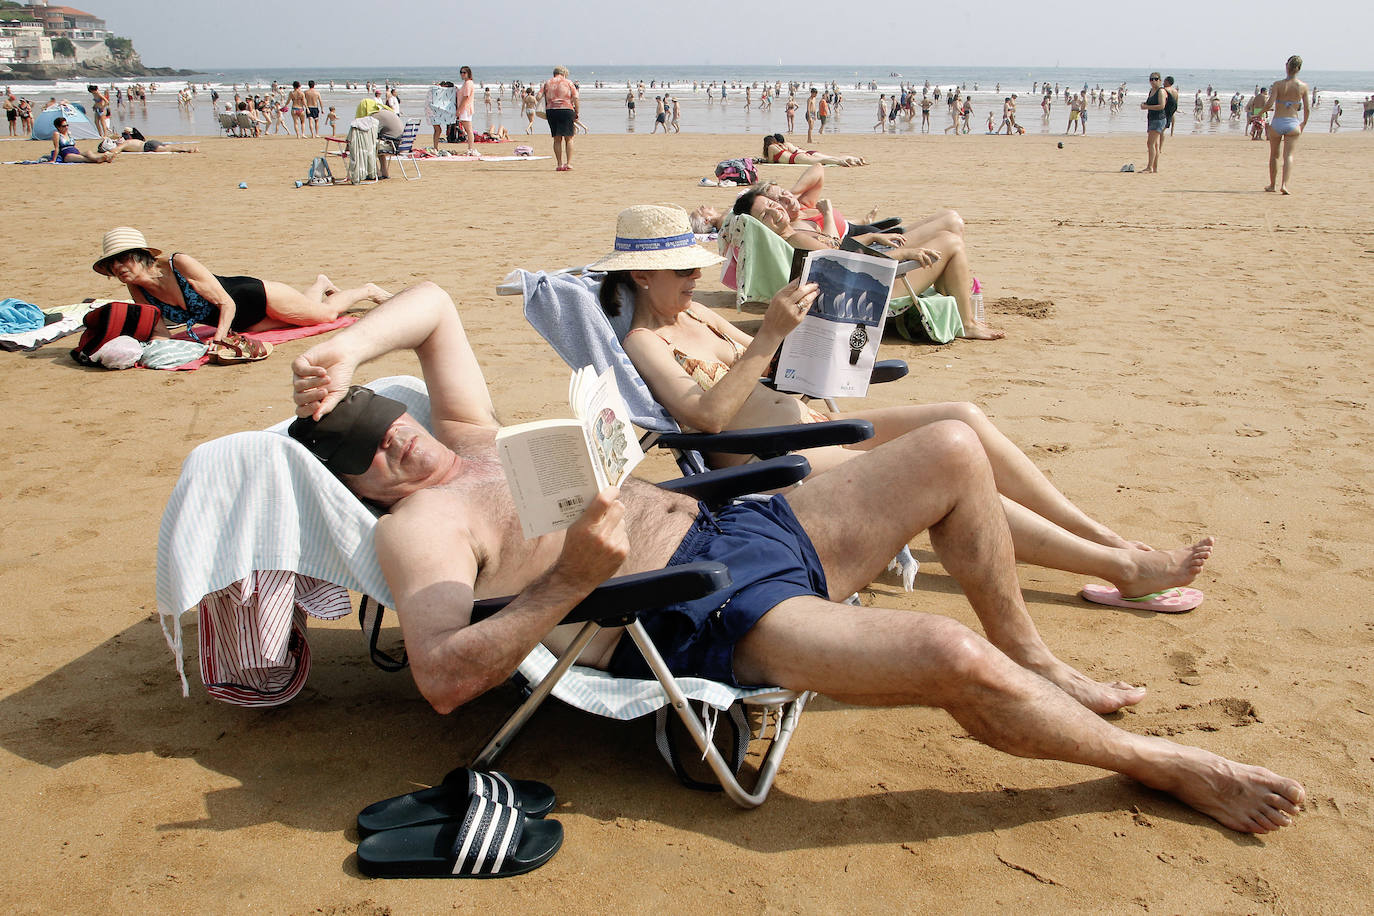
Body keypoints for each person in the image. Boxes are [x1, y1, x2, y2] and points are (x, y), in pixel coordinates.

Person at [284, 279, 1304, 836]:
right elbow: (442, 678)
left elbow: (432, 304)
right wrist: (569, 581)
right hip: (700, 610)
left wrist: (343, 346)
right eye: (367, 450)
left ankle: (1037, 656)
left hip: (739, 525)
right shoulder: (415, 527)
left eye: (385, 419)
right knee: (945, 654)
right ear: (359, 487)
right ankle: (1162, 764)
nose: (395, 442)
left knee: (951, 448)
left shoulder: (461, 436)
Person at [610, 204, 1211, 602]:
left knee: (963, 416)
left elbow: (772, 362)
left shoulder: (695, 312)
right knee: (946, 467)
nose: (695, 277)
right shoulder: (642, 341)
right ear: (641, 276)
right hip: (767, 461)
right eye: (681, 268)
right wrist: (768, 334)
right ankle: (1122, 571)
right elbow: (708, 418)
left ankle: (1098, 533)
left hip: (810, 424)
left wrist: (822, 326)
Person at [734, 190, 1003, 340]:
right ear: (760, 226)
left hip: (870, 265)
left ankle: (954, 297)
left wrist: (873, 236)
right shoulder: (795, 239)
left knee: (949, 220)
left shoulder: (795, 233)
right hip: (872, 283)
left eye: (771, 205)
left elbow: (839, 248)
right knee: (950, 239)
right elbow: (848, 262)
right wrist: (900, 255)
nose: (775, 211)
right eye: (765, 215)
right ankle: (967, 323)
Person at [91, 227, 390, 350]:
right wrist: (155, 349)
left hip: (254, 296)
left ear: (142, 256)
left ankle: (367, 289)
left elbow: (226, 303)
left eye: (123, 258)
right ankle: (320, 283)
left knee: (325, 316)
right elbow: (160, 331)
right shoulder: (138, 290)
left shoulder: (178, 263)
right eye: (112, 264)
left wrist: (219, 338)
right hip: (245, 323)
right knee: (299, 317)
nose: (118, 267)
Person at [1263, 56, 1310, 195]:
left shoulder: (1278, 84)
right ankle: (1284, 185)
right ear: (1299, 69)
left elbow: (1269, 103)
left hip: (1278, 121)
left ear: (1286, 66)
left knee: (1274, 155)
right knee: (1288, 155)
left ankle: (1272, 184)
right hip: (1293, 122)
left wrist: (1259, 114)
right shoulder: (1303, 86)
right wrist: (1304, 124)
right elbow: (1307, 108)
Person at [537, 65, 579, 172]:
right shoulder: (568, 82)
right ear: (564, 73)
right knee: (569, 138)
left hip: (551, 111)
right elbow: (575, 97)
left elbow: (538, 96)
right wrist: (577, 112)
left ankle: (559, 164)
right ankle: (568, 163)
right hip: (566, 110)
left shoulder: (547, 83)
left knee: (557, 138)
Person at [762, 133, 865, 167]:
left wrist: (764, 159)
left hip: (795, 159)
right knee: (826, 158)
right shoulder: (782, 145)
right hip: (800, 154)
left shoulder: (771, 147)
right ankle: (852, 159)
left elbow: (771, 161)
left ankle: (841, 162)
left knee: (821, 161)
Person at [47, 116, 117, 163]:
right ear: (58, 127)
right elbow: (56, 148)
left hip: (75, 151)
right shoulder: (57, 134)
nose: (66, 127)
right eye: (64, 126)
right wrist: (53, 160)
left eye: (67, 125)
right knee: (84, 159)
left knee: (88, 152)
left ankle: (102, 158)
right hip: (66, 155)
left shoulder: (69, 133)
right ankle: (102, 158)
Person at [1141, 73, 1167, 173]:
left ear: (1159, 80)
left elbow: (1161, 106)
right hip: (1152, 118)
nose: (1153, 81)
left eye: (1155, 79)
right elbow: (1151, 103)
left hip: (1158, 119)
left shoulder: (1161, 91)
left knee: (1150, 143)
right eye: (1151, 79)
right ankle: (1154, 167)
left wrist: (1147, 107)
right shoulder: (1152, 91)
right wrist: (1145, 105)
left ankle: (1149, 167)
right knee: (1154, 144)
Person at [113, 126, 199, 153]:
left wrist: (109, 149)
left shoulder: (125, 143)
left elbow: (116, 150)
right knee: (168, 147)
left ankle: (186, 150)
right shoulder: (133, 141)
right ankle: (186, 149)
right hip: (150, 143)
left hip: (147, 146)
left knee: (167, 148)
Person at [456, 67, 476, 156]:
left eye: (464, 72)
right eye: (461, 72)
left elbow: (466, 97)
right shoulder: (466, 83)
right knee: (468, 130)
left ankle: (471, 149)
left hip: (465, 109)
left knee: (468, 130)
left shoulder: (468, 83)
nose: (462, 74)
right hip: (465, 108)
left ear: (468, 73)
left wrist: (459, 110)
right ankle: (470, 148)